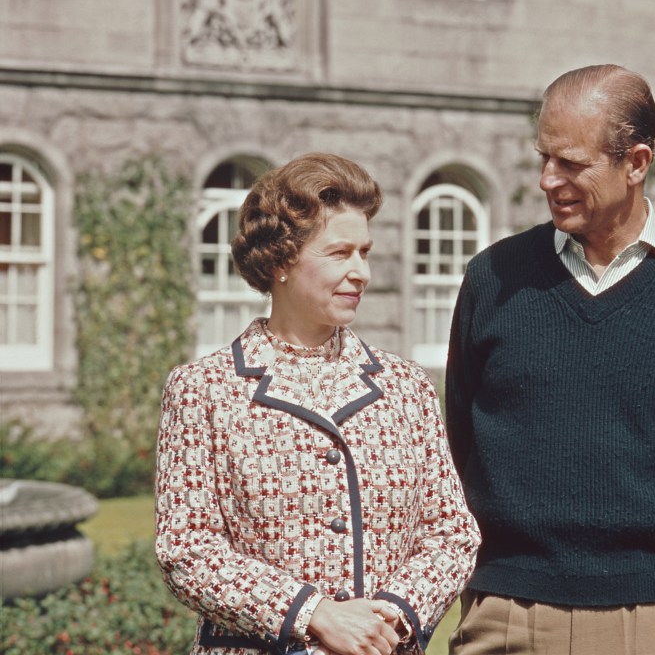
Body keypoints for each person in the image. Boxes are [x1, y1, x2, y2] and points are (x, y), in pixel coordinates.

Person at [445, 65, 655, 655]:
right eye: (544, 157)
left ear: (636, 163)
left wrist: (649, 554)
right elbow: (460, 437)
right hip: (507, 612)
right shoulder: (491, 279)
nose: (547, 179)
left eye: (570, 163)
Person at [156, 152, 480, 655]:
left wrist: (387, 619)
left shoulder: (407, 386)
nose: (362, 272)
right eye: (339, 253)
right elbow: (186, 551)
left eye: (365, 252)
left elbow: (452, 534)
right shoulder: (204, 390)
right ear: (282, 260)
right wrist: (313, 614)